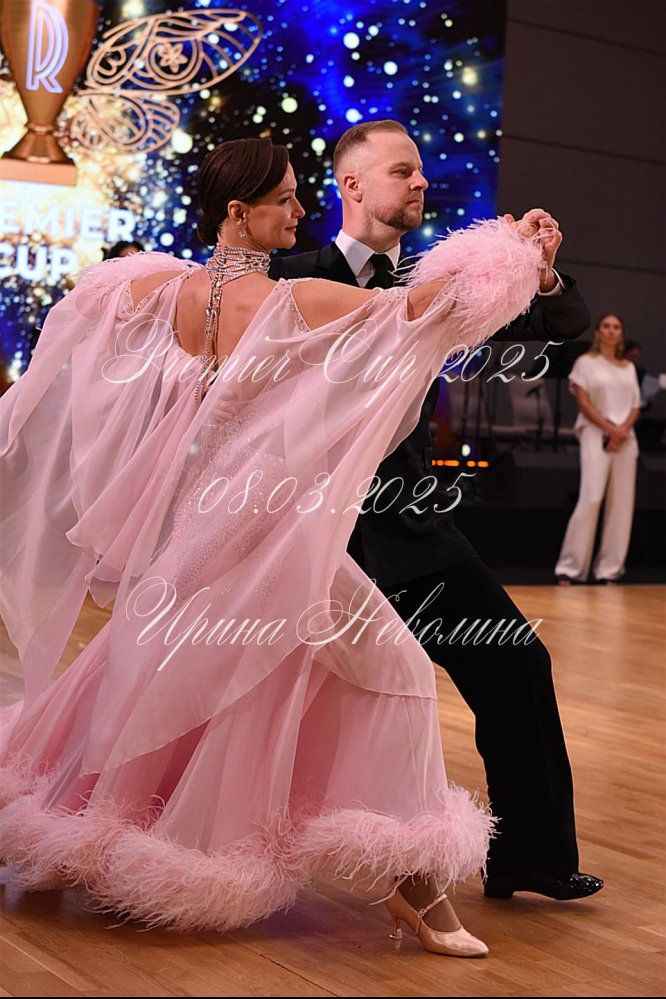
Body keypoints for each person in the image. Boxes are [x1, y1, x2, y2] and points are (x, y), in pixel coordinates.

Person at [1, 137, 547, 952]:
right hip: (264, 539)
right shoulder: (292, 301)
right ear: (238, 212)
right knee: (393, 668)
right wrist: (514, 250)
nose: (298, 210)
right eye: (284, 198)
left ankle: (109, 835)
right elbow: (426, 309)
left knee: (169, 675)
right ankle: (415, 887)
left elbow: (84, 316)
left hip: (196, 539)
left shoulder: (158, 291)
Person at [271, 120, 603, 901]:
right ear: (352, 185)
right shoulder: (288, 276)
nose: (421, 181)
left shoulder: (443, 281)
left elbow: (562, 329)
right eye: (402, 171)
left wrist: (539, 273)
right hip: (308, 540)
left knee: (518, 661)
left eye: (421, 171)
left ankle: (530, 856)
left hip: (412, 533)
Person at [555, 313, 640, 585]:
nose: (611, 331)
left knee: (622, 504)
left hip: (625, 438)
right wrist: (610, 429)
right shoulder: (586, 363)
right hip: (595, 433)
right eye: (606, 326)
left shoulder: (628, 367)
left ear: (621, 334)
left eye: (616, 327)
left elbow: (635, 405)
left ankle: (609, 570)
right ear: (598, 332)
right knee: (591, 497)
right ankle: (570, 567)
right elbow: (584, 403)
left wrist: (621, 431)